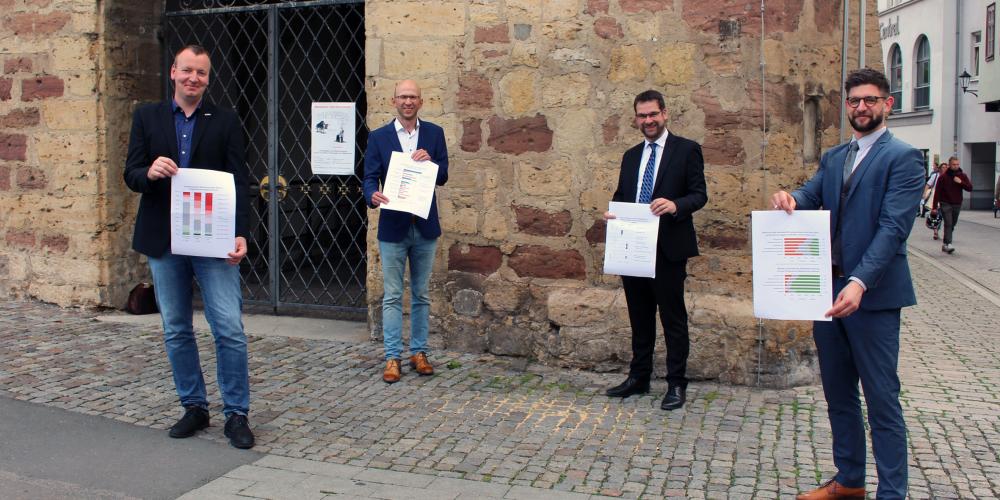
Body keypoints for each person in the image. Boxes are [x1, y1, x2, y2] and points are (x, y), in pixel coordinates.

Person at [771, 68, 924, 499]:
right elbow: (810, 194)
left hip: (870, 299)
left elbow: (893, 229)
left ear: (887, 104)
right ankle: (849, 482)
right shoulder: (836, 156)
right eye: (855, 100)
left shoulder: (904, 158)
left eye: (870, 100)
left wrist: (858, 282)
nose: (861, 107)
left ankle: (891, 493)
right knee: (838, 395)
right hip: (826, 294)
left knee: (882, 401)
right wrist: (790, 199)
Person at [123, 44, 254, 449]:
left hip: (213, 239)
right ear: (173, 73)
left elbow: (240, 182)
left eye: (201, 73)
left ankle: (237, 413)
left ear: (207, 79)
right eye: (187, 71)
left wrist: (241, 233)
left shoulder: (226, 121)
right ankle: (194, 406)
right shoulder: (147, 117)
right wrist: (150, 171)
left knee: (229, 328)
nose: (193, 78)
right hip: (165, 240)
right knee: (176, 327)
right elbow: (130, 173)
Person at [603, 89, 708, 411]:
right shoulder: (631, 155)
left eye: (653, 114)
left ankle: (676, 383)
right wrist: (614, 213)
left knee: (673, 318)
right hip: (633, 245)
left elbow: (699, 195)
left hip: (668, 248)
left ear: (664, 114)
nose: (648, 121)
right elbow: (623, 194)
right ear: (636, 119)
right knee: (639, 315)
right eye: (642, 116)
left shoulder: (687, 150)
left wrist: (675, 204)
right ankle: (639, 377)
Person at [363, 80, 449, 384]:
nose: (408, 101)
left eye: (412, 97)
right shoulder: (379, 137)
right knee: (392, 296)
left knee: (422, 294)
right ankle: (392, 356)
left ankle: (419, 352)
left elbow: (444, 176)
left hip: (425, 226)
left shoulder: (434, 134)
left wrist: (432, 163)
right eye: (403, 97)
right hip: (393, 227)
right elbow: (369, 178)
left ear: (421, 101)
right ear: (393, 101)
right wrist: (372, 195)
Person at [930, 156, 973, 253]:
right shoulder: (943, 177)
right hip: (945, 203)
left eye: (957, 164)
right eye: (954, 164)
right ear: (949, 165)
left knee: (953, 223)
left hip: (957, 203)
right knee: (948, 223)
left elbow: (970, 188)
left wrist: (961, 182)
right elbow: (937, 193)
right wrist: (934, 207)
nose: (956, 166)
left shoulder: (962, 176)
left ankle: (945, 243)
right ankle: (948, 243)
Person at [922, 163, 947, 239]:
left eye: (946, 167)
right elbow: (928, 185)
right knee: (937, 214)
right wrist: (924, 193)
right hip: (936, 197)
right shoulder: (935, 176)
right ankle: (936, 231)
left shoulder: (949, 177)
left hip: (946, 198)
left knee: (942, 216)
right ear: (939, 168)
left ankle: (938, 230)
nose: (945, 169)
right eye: (943, 167)